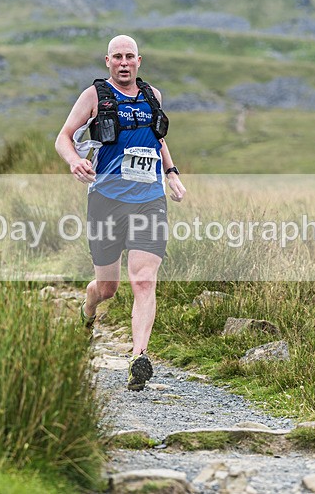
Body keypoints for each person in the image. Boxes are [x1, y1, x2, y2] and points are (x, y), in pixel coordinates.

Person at [55, 35, 187, 391]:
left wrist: (171, 173)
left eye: (130, 56)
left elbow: (157, 138)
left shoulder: (152, 96)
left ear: (139, 61)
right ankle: (88, 307)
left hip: (148, 199)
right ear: (108, 61)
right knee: (108, 287)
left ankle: (138, 357)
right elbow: (64, 136)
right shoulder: (94, 96)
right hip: (106, 200)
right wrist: (74, 161)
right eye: (118, 57)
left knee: (144, 279)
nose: (124, 62)